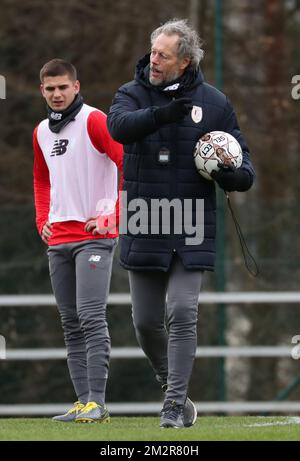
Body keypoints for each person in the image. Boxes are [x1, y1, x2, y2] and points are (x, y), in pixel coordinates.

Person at [107, 19, 255, 428]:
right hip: (144, 222)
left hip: (192, 226)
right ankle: (174, 389)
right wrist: (162, 114)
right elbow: (117, 127)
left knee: (183, 311)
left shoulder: (215, 104)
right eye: (153, 51)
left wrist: (228, 174)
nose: (153, 60)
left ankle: (173, 407)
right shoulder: (130, 94)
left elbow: (246, 171)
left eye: (163, 55)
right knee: (145, 323)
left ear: (184, 61)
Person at [33, 59, 123, 423]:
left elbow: (125, 162)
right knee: (70, 321)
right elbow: (41, 179)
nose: (57, 94)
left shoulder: (94, 120)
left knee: (90, 316)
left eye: (63, 87)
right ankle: (83, 400)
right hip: (59, 239)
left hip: (95, 238)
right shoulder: (41, 130)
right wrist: (42, 219)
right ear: (42, 90)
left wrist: (114, 215)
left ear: (76, 86)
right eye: (50, 88)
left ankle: (98, 403)